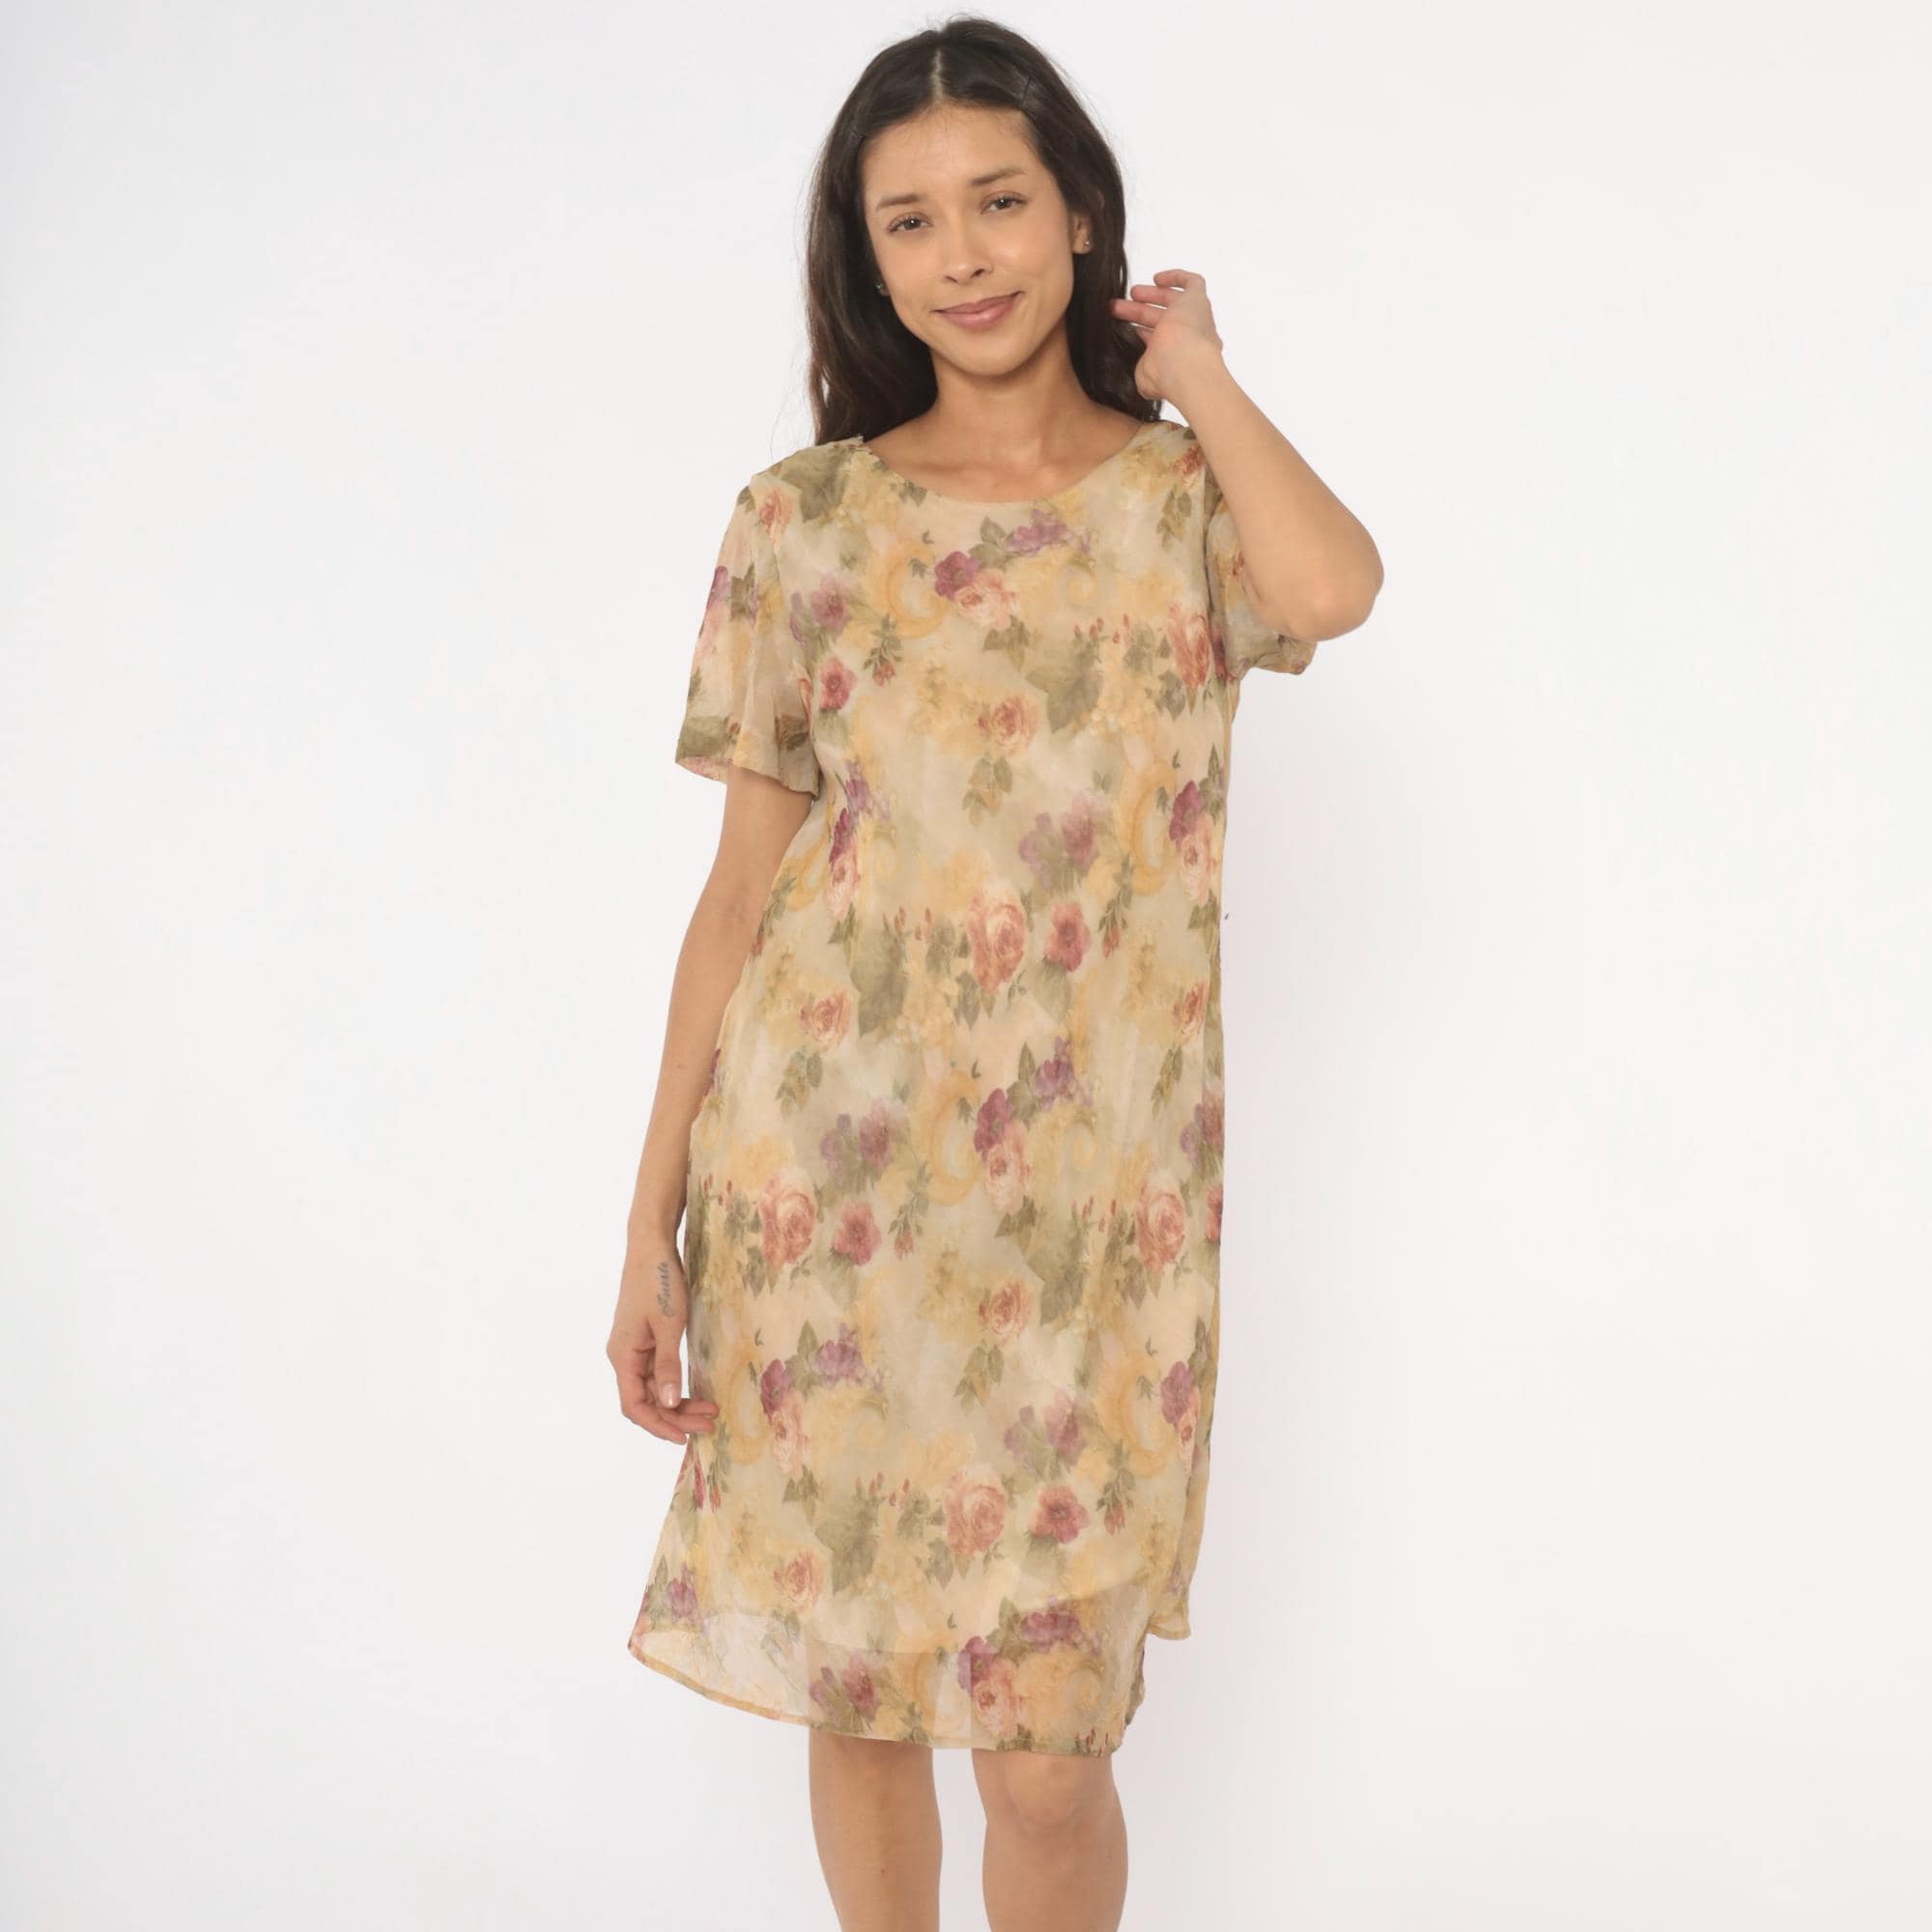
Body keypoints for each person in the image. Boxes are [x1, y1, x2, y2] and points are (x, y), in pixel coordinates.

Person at [607, 16, 1380, 1930]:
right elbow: (739, 898)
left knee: (1047, 1763)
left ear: (1080, 216)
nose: (962, 255)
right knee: (864, 1704)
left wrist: (1195, 368)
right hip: (825, 1200)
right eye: (910, 222)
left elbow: (1331, 590)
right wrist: (649, 1228)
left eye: (1000, 203)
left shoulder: (1183, 504)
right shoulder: (803, 524)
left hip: (1090, 1235)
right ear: (865, 260)